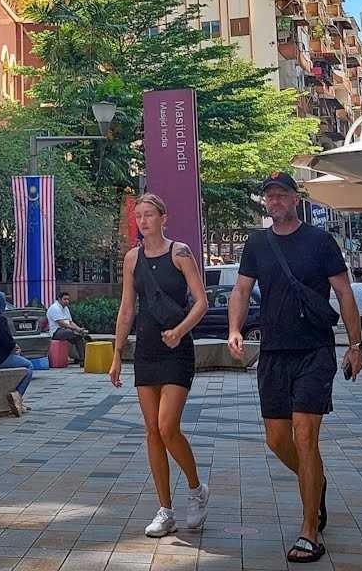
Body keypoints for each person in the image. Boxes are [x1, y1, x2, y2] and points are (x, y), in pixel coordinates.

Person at [227, 173, 362, 564]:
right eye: (269, 197)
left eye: (281, 195)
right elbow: (240, 289)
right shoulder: (257, 243)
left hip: (313, 351)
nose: (274, 202)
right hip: (273, 351)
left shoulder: (320, 242)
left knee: (305, 438)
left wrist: (355, 346)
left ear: (295, 199)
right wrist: (235, 329)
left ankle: (309, 531)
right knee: (276, 440)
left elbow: (342, 292)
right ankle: (315, 482)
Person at [110, 192, 210, 538]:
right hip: (147, 351)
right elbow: (126, 309)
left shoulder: (180, 252)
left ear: (163, 218)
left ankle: (197, 489)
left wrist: (180, 331)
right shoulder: (132, 258)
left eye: (150, 214)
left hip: (177, 350)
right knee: (152, 430)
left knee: (168, 427)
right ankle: (165, 510)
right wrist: (116, 354)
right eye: (139, 215)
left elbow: (202, 302)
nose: (143, 220)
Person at [47, 291, 91, 365]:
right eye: (65, 299)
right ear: (59, 299)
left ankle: (81, 359)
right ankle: (82, 360)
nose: (67, 301)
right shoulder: (54, 308)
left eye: (68, 299)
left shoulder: (66, 308)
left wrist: (80, 329)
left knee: (79, 337)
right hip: (56, 332)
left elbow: (70, 322)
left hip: (66, 331)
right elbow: (62, 323)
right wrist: (76, 330)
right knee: (75, 334)